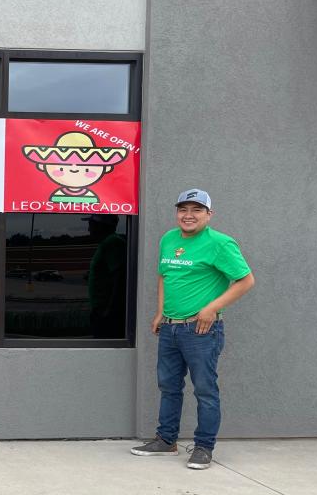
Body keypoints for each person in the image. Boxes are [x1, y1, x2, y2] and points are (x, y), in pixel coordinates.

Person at [131, 189, 255, 469]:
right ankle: (166, 441)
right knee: (169, 386)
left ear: (209, 214)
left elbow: (245, 281)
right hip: (170, 329)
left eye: (197, 210)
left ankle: (203, 447)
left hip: (201, 331)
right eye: (183, 209)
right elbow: (165, 276)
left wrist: (212, 308)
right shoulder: (169, 239)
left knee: (205, 390)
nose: (188, 215)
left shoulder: (220, 243)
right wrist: (161, 312)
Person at [84, 214, 127, 338]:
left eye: (91, 225)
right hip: (100, 309)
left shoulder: (112, 242)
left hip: (105, 312)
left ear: (101, 226)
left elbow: (119, 278)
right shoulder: (106, 243)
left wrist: (109, 310)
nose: (88, 229)